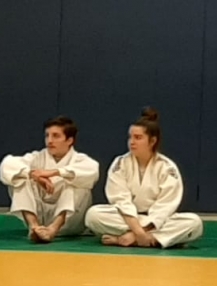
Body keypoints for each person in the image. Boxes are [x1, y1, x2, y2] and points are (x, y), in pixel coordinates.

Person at [85, 107, 204, 249]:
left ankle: (128, 239)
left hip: (156, 222)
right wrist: (138, 231)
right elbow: (121, 200)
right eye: (130, 137)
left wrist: (137, 233)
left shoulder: (167, 167)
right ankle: (154, 240)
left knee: (194, 223)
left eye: (138, 138)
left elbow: (165, 207)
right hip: (128, 219)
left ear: (152, 141)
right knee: (93, 215)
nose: (131, 142)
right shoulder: (120, 163)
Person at [0, 116, 99, 242]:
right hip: (41, 218)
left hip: (69, 223)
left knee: (76, 180)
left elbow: (92, 170)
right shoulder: (38, 157)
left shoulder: (80, 160)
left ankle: (53, 229)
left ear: (69, 140)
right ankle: (34, 227)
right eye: (47, 136)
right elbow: (7, 164)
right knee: (21, 177)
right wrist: (33, 174)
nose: (50, 141)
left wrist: (54, 172)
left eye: (56, 136)